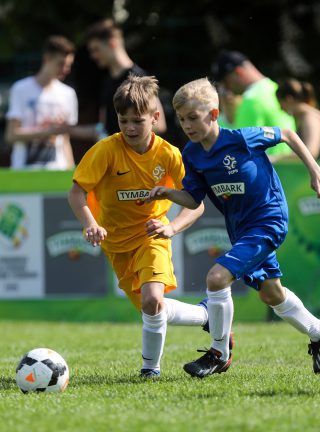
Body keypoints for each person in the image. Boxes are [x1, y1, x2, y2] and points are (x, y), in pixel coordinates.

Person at [146, 77, 320, 378]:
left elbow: (287, 133)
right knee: (271, 293)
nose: (187, 125)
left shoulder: (241, 139)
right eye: (182, 119)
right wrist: (169, 193)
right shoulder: (192, 155)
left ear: (213, 114)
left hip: (268, 219)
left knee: (217, 277)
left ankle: (219, 352)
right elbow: (194, 198)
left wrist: (315, 170)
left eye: (193, 118)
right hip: (240, 229)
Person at [68, 75, 211, 378]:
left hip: (152, 237)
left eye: (138, 120)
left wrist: (171, 228)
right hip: (117, 245)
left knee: (152, 299)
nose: (130, 128)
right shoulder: (105, 150)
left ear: (155, 117)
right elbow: (76, 192)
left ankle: (150, 370)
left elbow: (196, 203)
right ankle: (206, 315)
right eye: (123, 121)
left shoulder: (170, 155)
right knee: (153, 309)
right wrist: (91, 224)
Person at [5, 35, 78, 170]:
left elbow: (65, 139)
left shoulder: (68, 94)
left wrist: (71, 172)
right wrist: (49, 131)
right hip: (24, 171)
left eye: (69, 65)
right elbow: (11, 135)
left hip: (58, 169)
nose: (65, 69)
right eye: (61, 64)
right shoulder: (20, 89)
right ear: (47, 59)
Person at [85, 18, 167, 136]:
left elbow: (159, 125)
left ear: (112, 43)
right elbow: (102, 129)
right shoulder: (106, 82)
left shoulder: (140, 78)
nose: (93, 56)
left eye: (96, 49)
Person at [211, 50, 295, 162]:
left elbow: (242, 150)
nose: (227, 89)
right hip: (290, 171)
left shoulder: (251, 100)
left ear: (238, 72)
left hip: (269, 173)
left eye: (226, 82)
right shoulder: (275, 89)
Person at [276, 78, 320, 164]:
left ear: (289, 99)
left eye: (281, 103)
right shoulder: (303, 117)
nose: (281, 109)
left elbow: (311, 153)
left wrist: (276, 158)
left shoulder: (311, 117)